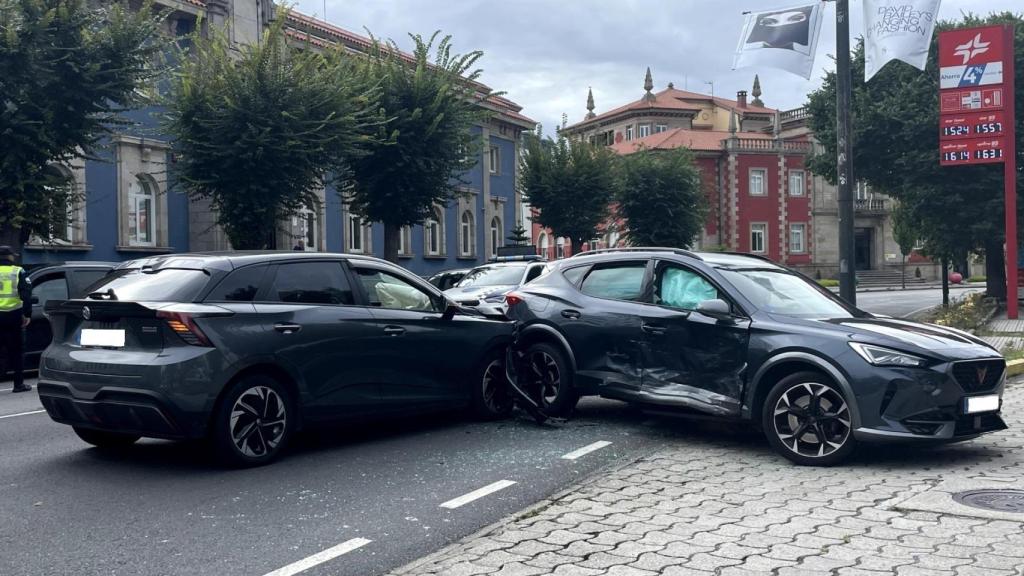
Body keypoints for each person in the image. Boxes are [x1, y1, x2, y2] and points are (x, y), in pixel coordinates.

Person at [0, 246, 32, 392]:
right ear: (9, 257)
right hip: (13, 315)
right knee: (16, 351)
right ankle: (18, 384)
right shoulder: (17, 271)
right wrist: (27, 314)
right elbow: (26, 295)